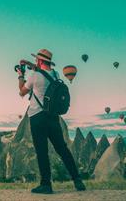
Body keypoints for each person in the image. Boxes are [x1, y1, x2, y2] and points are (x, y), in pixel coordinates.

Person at [17, 49, 86, 194]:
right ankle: (77, 179)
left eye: (37, 60)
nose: (35, 62)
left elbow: (22, 92)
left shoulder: (34, 76)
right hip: (53, 117)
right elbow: (43, 71)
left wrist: (20, 75)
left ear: (40, 61)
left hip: (37, 117)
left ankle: (46, 185)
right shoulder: (55, 75)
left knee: (42, 151)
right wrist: (29, 64)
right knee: (62, 149)